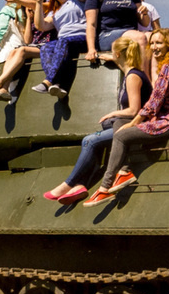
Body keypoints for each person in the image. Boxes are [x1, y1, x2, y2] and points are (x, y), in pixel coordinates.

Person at [45, 34, 152, 203]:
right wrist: (112, 58)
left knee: (90, 141)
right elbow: (121, 61)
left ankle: (69, 184)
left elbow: (134, 110)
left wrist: (112, 113)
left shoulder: (133, 76)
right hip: (125, 123)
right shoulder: (130, 71)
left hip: (135, 125)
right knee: (97, 138)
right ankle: (80, 185)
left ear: (118, 53)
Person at [96, 28, 169, 197]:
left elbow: (154, 102)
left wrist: (133, 122)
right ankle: (124, 170)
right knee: (119, 123)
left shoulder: (168, 67)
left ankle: (105, 187)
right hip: (164, 120)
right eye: (152, 43)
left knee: (122, 135)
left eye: (159, 43)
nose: (154, 47)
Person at [33, 0, 89, 97]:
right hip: (64, 43)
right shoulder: (55, 12)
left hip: (82, 38)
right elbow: (41, 26)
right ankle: (57, 84)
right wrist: (38, 3)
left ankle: (48, 81)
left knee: (63, 40)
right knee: (46, 47)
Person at [82, 0, 147, 64]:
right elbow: (91, 25)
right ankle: (143, 77)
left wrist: (144, 13)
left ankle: (153, 78)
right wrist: (91, 49)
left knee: (149, 38)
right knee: (139, 37)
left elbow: (144, 22)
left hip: (131, 33)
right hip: (107, 35)